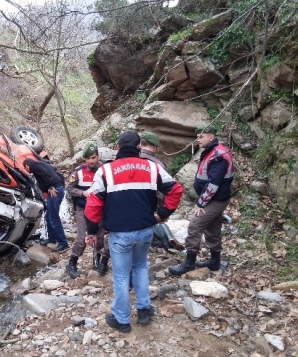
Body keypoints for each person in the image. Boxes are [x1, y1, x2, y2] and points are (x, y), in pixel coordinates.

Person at [85, 131, 183, 332]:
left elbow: (93, 204)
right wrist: (162, 214)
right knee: (140, 268)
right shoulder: (152, 167)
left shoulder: (106, 171)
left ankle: (121, 319)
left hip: (120, 234)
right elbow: (175, 189)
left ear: (118, 148)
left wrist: (91, 231)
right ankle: (144, 309)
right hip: (145, 230)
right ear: (139, 147)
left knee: (121, 276)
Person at [169, 126, 235, 276]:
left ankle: (189, 263)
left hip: (216, 199)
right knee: (212, 228)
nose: (198, 140)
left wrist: (201, 203)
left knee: (195, 225)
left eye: (201, 137)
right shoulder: (213, 151)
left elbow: (214, 183)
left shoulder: (218, 155)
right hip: (215, 198)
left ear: (211, 137)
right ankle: (214, 262)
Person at [66, 142, 109, 279]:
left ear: (98, 156)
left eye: (94, 157)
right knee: (81, 239)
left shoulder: (105, 170)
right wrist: (82, 193)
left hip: (101, 209)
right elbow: (69, 188)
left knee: (100, 237)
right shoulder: (78, 172)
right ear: (84, 159)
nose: (91, 161)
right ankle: (72, 262)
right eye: (88, 158)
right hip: (82, 209)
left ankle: (97, 261)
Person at [23, 158, 69, 252]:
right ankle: (52, 238)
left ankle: (63, 243)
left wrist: (50, 187)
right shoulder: (42, 164)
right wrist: (61, 187)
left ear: (27, 166)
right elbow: (60, 175)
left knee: (53, 218)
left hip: (54, 191)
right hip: (58, 190)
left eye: (25, 168)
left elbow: (45, 174)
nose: (27, 170)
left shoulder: (33, 166)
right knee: (48, 217)